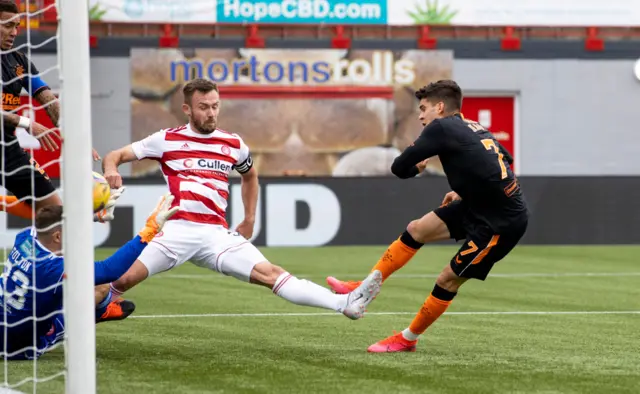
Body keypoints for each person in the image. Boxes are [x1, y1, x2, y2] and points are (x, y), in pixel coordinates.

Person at [101, 78, 381, 321]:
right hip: (177, 229)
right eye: (203, 107)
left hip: (215, 234)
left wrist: (249, 218)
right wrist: (112, 170)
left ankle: (345, 304)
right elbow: (116, 155)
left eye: (215, 106)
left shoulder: (233, 144)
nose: (211, 113)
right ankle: (76, 317)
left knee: (271, 274)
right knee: (121, 278)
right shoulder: (166, 140)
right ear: (187, 110)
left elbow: (250, 176)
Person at [326, 80, 529, 352]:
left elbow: (399, 167)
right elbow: (505, 160)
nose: (421, 115)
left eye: (424, 108)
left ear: (440, 107)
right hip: (478, 204)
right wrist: (461, 192)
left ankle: (407, 339)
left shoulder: (441, 127)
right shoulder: (476, 127)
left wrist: (418, 169)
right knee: (417, 228)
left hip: (499, 223)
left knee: (447, 279)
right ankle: (365, 287)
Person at [0, 192, 178, 360]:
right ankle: (98, 312)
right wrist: (149, 230)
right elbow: (110, 270)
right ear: (57, 236)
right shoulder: (53, 268)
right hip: (20, 346)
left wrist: (94, 215)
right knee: (100, 287)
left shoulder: (24, 236)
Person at [0, 0, 100, 220]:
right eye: (8, 25)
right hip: (13, 135)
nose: (14, 32)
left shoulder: (19, 63)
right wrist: (27, 124)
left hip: (8, 152)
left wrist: (76, 139)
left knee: (56, 216)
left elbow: (49, 102)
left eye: (17, 26)